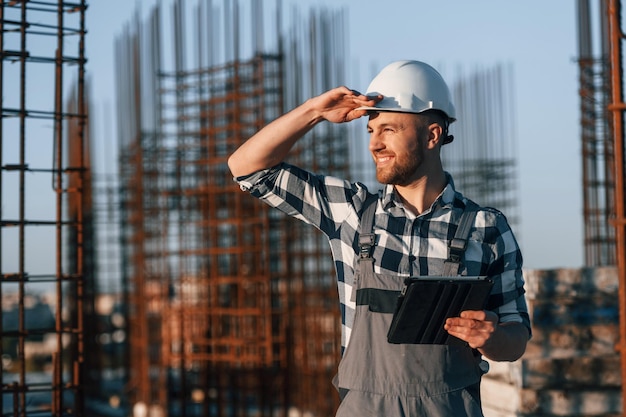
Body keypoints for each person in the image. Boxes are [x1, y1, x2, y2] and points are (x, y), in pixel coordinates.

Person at [228, 60, 531, 416]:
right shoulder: (351, 212)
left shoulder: (486, 226)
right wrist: (313, 112)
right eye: (370, 131)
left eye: (387, 129)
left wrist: (494, 339)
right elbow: (247, 168)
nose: (375, 144)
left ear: (432, 135)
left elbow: (516, 334)